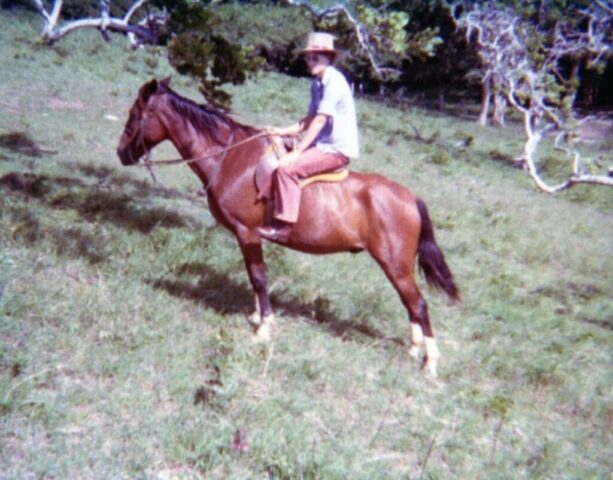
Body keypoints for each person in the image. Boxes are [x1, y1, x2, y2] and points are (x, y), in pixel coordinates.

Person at [257, 32, 360, 241]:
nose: (310, 62)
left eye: (315, 57)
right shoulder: (317, 83)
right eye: (308, 57)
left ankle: (284, 226)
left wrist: (298, 150)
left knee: (287, 168)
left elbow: (320, 120)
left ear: (328, 59)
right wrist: (283, 131)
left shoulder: (335, 82)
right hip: (322, 144)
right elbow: (310, 118)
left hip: (336, 149)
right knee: (275, 149)